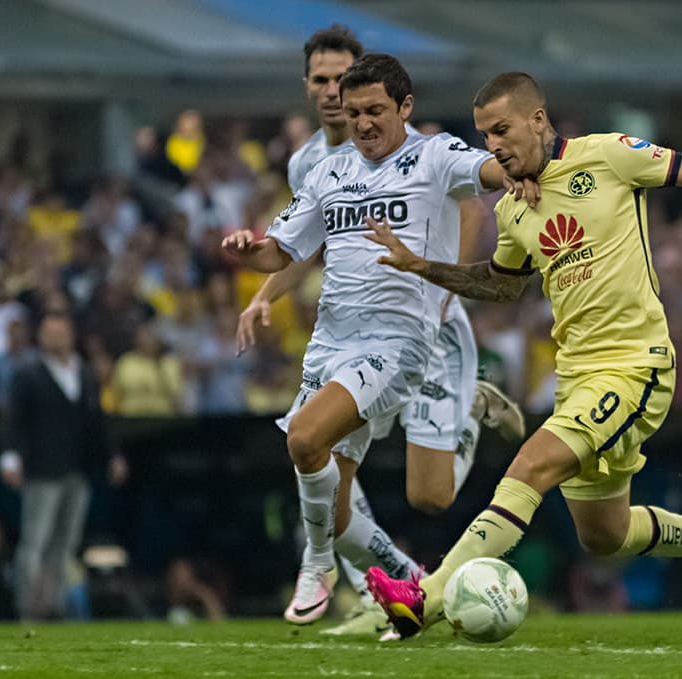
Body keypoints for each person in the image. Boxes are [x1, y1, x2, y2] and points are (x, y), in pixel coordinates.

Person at [364, 71, 682, 637]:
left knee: (531, 465)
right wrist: (421, 265)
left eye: (502, 129)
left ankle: (424, 600)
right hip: (578, 377)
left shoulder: (609, 155)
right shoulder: (513, 210)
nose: (494, 146)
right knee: (604, 534)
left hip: (636, 365)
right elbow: (503, 285)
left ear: (537, 119)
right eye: (484, 136)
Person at [222, 55, 535, 626]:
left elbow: (487, 172)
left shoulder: (434, 156)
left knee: (304, 440)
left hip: (399, 342)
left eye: (375, 111)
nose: (363, 123)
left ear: (404, 108)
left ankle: (316, 564)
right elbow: (281, 250)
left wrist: (520, 170)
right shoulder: (326, 171)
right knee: (340, 497)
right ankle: (388, 577)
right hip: (331, 342)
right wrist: (250, 255)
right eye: (355, 111)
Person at [1, 313, 127, 620]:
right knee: (35, 541)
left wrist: (112, 454)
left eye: (61, 332)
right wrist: (9, 457)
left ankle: (54, 607)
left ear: (71, 334)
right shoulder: (28, 373)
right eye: (50, 333)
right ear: (41, 337)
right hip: (43, 469)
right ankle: (27, 607)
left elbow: (97, 420)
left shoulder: (83, 372)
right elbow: (15, 420)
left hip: (77, 467)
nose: (56, 338)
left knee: (66, 543)